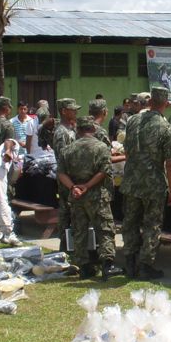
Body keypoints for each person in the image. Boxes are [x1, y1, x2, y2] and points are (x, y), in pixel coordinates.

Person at [120, 86, 171, 280]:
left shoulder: (132, 121)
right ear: (166, 104)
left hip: (131, 180)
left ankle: (129, 261)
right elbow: (170, 163)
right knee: (152, 224)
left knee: (130, 222)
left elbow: (127, 151)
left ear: (150, 102)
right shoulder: (166, 127)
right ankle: (144, 265)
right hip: (153, 184)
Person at [57, 116, 123, 280]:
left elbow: (61, 173)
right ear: (93, 129)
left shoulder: (68, 149)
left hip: (77, 196)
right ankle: (108, 265)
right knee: (105, 230)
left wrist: (74, 187)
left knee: (79, 231)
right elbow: (104, 172)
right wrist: (87, 186)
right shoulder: (101, 148)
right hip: (97, 196)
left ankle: (84, 267)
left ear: (78, 130)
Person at [52, 97, 80, 251]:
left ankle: (72, 246)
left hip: (72, 177)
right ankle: (65, 247)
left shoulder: (70, 129)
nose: (75, 111)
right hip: (67, 178)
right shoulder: (62, 132)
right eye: (72, 109)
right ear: (63, 111)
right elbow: (64, 159)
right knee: (66, 213)